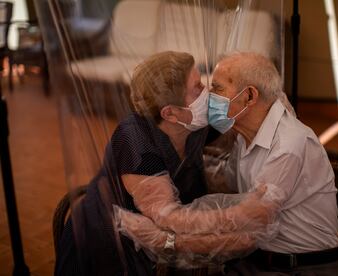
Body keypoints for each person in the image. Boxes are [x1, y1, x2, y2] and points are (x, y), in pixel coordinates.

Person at [117, 52, 338, 275]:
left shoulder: (289, 145)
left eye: (217, 88)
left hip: (301, 267)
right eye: (202, 86)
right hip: (257, 260)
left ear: (249, 97)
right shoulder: (243, 135)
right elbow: (227, 181)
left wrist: (165, 239)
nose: (207, 95)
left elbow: (252, 221)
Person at [55, 51, 273, 276]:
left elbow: (243, 109)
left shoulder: (193, 126)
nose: (206, 92)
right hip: (109, 248)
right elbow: (170, 220)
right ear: (170, 113)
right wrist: (242, 216)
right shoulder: (134, 140)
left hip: (163, 251)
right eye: (197, 87)